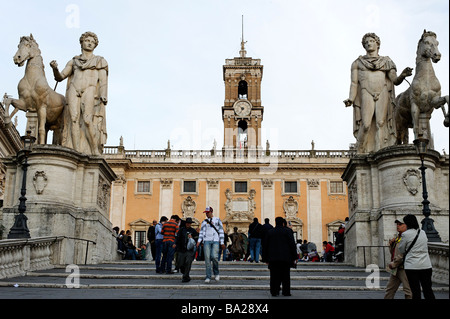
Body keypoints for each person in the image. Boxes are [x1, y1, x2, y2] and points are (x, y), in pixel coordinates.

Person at [344, 32, 412, 153]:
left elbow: (395, 80)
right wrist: (351, 98)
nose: (368, 44)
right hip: (366, 91)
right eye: (366, 43)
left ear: (377, 44)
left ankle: (379, 152)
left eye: (371, 41)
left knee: (381, 123)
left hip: (383, 92)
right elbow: (354, 83)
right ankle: (360, 152)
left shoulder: (386, 61)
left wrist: (402, 75)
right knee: (365, 125)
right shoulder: (357, 63)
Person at [50, 31, 108, 155]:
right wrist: (55, 69)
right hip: (74, 89)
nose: (90, 43)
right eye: (87, 41)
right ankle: (75, 152)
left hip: (89, 89)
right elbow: (60, 77)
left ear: (95, 45)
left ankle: (94, 150)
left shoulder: (100, 61)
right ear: (81, 43)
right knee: (73, 119)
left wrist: (103, 95)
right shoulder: (74, 61)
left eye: (92, 42)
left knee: (87, 120)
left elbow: (103, 81)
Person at [398, 214, 435, 299]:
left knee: (415, 290)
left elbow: (401, 250)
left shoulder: (405, 234)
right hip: (426, 265)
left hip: (412, 266)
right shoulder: (423, 232)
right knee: (428, 289)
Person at [262, 216, 297, 297]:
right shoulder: (288, 231)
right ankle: (286, 291)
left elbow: (265, 246)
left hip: (273, 258)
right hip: (286, 258)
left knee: (274, 276)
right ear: (283, 223)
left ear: (275, 222)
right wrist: (295, 257)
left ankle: (274, 291)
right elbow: (292, 244)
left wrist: (265, 258)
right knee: (286, 276)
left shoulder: (270, 232)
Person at [196, 206, 226, 283]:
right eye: (206, 213)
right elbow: (202, 232)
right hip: (206, 241)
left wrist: (222, 242)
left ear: (211, 212)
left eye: (208, 213)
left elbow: (221, 231)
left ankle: (216, 273)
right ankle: (208, 276)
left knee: (214, 257)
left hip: (215, 240)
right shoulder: (204, 222)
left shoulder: (217, 220)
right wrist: (199, 241)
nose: (207, 214)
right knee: (207, 259)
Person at [384, 220, 412, 299]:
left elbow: (403, 253)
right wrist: (391, 244)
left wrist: (394, 263)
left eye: (400, 224)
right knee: (389, 290)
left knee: (408, 291)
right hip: (395, 268)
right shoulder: (398, 237)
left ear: (406, 225)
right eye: (397, 224)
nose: (397, 226)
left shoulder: (407, 237)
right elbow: (393, 253)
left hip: (403, 268)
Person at [175, 218, 199, 283]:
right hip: (181, 249)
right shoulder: (182, 230)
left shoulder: (193, 231)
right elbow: (177, 238)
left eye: (189, 223)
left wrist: (192, 238)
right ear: (185, 223)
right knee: (180, 263)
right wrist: (176, 245)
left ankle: (185, 276)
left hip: (189, 250)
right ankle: (185, 273)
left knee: (188, 263)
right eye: (187, 223)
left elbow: (197, 239)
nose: (188, 224)